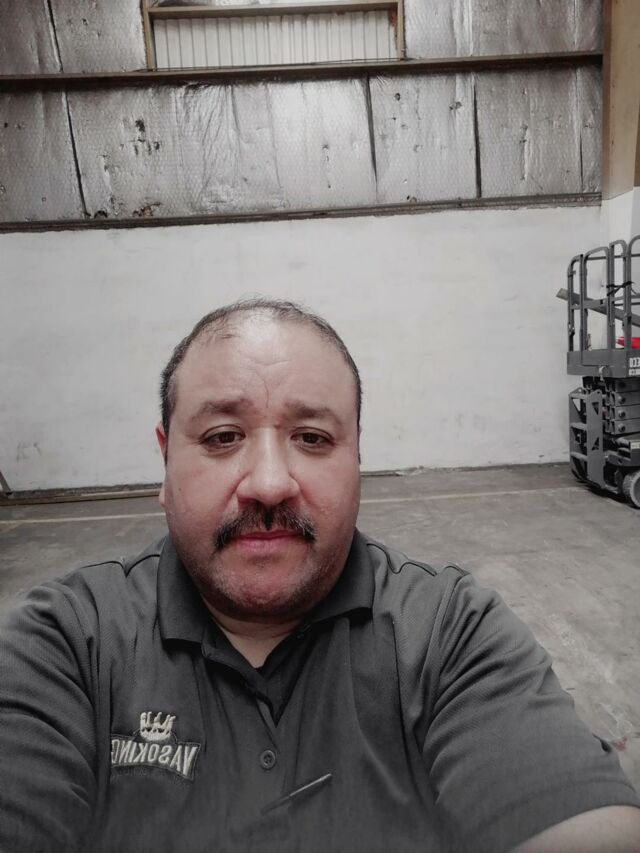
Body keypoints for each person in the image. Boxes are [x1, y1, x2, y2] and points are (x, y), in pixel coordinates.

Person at [1, 298, 639, 853]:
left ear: (358, 456)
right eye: (222, 437)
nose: (269, 483)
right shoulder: (64, 644)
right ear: (165, 463)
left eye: (311, 438)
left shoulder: (450, 632)